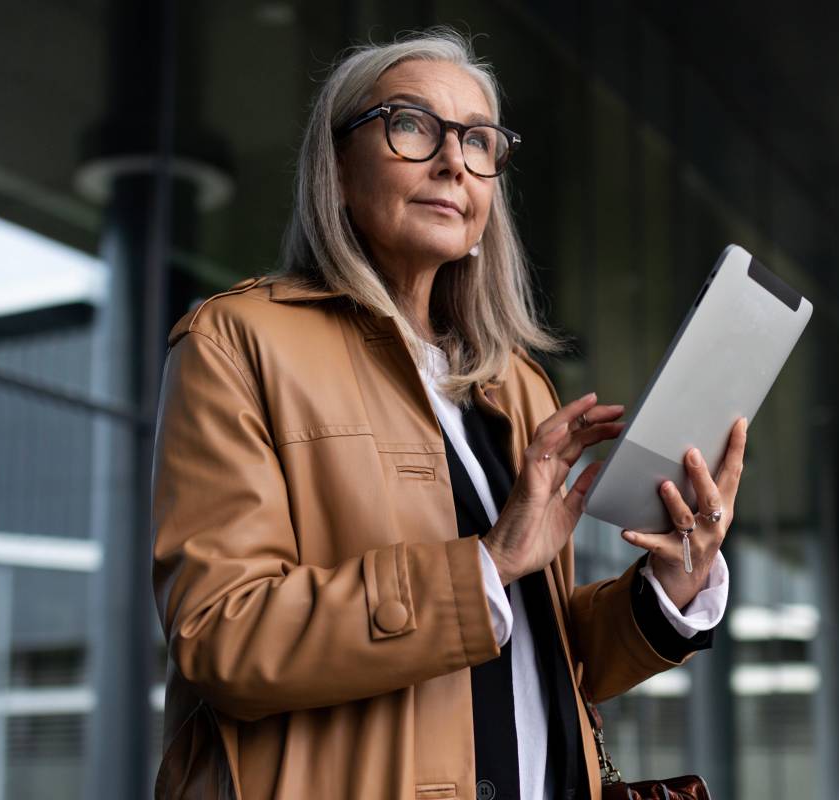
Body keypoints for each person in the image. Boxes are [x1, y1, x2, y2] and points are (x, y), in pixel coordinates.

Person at [150, 28, 749, 800]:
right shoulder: (237, 343)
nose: (452, 162)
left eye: (477, 140)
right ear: (335, 168)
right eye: (411, 125)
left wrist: (672, 583)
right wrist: (486, 564)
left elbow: (550, 660)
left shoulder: (514, 383)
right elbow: (222, 636)